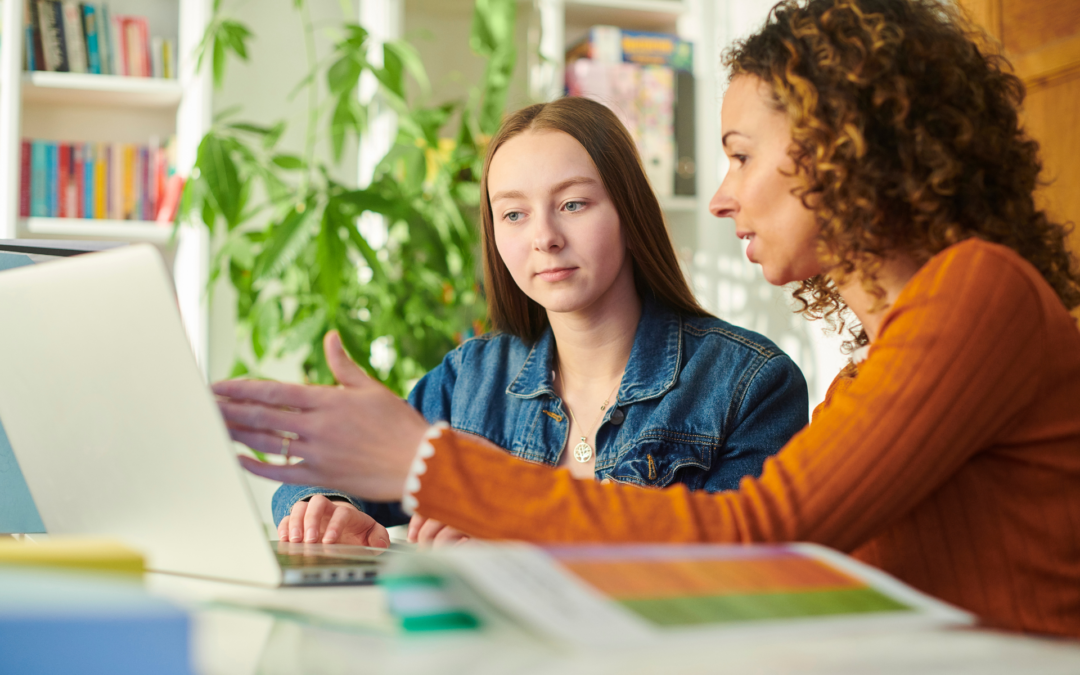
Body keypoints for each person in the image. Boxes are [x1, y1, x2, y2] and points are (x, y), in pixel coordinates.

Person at [215, 0, 1080, 636]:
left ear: (845, 146)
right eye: (511, 213)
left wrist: (428, 462)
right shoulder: (893, 346)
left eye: (741, 155)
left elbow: (755, 538)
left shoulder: (978, 293)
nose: (723, 195)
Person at [263, 96, 808, 548]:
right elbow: (329, 468)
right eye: (514, 214)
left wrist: (518, 549)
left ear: (628, 210)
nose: (543, 237)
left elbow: (739, 575)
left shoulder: (748, 384)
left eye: (572, 204)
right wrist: (326, 507)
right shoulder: (470, 380)